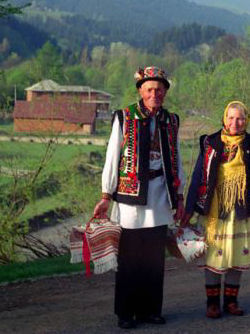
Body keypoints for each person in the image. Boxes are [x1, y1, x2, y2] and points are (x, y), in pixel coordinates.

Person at [93, 66, 186, 329]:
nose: (154, 93)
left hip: (160, 195)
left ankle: (150, 310)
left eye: (159, 89)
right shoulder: (124, 117)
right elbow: (112, 158)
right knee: (131, 258)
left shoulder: (171, 121)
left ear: (165, 92)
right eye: (149, 89)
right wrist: (105, 194)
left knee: (155, 259)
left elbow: (177, 158)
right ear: (140, 92)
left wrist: (179, 196)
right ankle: (126, 312)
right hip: (130, 198)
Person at [182, 101, 250, 318]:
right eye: (231, 117)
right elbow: (197, 178)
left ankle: (231, 302)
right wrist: (188, 209)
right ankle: (212, 304)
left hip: (242, 213)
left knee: (237, 256)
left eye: (240, 118)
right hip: (214, 212)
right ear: (224, 119)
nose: (235, 122)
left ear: (247, 120)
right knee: (213, 256)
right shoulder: (210, 143)